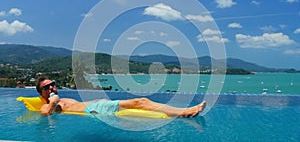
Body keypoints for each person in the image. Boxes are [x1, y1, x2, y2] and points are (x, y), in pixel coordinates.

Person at [36, 77, 206, 117]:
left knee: (140, 103)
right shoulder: (51, 102)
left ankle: (182, 111)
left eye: (52, 84)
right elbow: (44, 113)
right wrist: (52, 101)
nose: (51, 87)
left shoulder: (61, 99)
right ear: (41, 92)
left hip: (98, 105)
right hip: (96, 109)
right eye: (46, 87)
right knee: (141, 101)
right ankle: (184, 112)